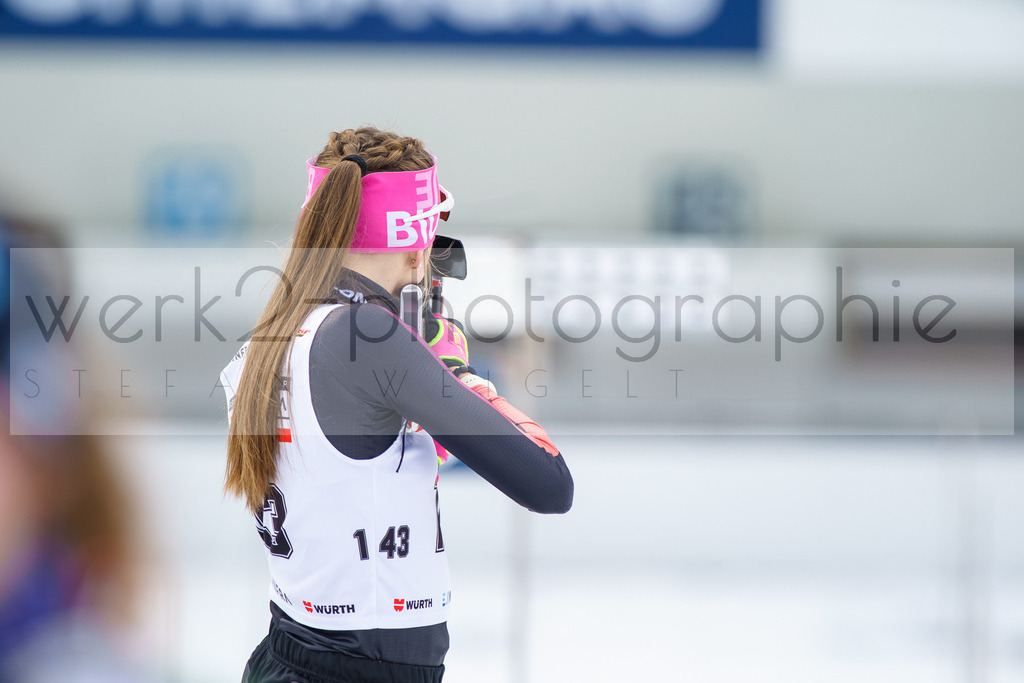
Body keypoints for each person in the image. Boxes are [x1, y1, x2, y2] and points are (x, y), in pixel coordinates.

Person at [221, 127, 573, 683]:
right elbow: (549, 484)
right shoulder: (368, 337)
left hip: (294, 651)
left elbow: (369, 482)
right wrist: (459, 375)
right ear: (416, 244)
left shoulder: (275, 336)